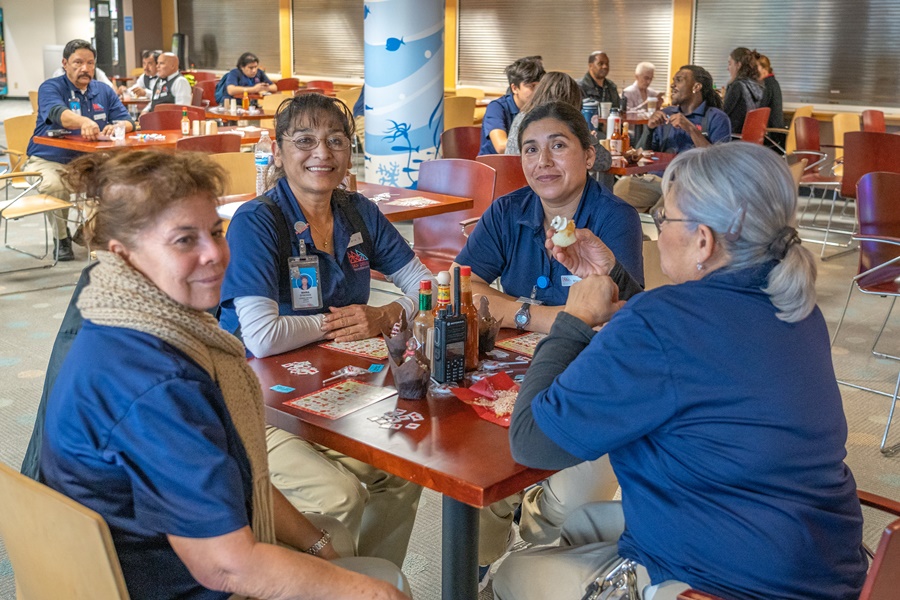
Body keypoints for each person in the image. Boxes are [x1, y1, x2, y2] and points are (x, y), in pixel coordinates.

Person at [493, 142, 868, 600]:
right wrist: (615, 278)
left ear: (703, 241)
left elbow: (531, 439)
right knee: (577, 523)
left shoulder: (661, 322)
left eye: (663, 219)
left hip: (722, 583)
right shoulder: (796, 307)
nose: (658, 231)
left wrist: (571, 322)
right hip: (815, 562)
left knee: (510, 575)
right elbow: (681, 353)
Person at [38, 150, 410, 600]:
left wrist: (321, 548)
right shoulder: (159, 381)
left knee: (343, 536)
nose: (215, 254)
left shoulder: (116, 325)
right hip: (176, 582)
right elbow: (228, 569)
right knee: (385, 583)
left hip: (146, 559)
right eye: (184, 240)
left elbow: (230, 471)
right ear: (125, 255)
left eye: (215, 232)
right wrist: (373, 593)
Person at [219, 92, 429, 567]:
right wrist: (338, 321)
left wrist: (386, 314)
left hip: (333, 388)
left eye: (336, 140)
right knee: (341, 497)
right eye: (305, 140)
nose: (323, 153)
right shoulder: (259, 221)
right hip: (256, 402)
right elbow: (262, 336)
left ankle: (373, 584)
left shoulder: (359, 211)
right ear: (278, 151)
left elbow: (426, 286)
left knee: (401, 471)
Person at [454, 101, 643, 582]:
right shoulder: (508, 211)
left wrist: (524, 313)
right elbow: (461, 286)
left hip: (590, 386)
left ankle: (528, 559)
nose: (543, 162)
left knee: (570, 503)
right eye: (531, 149)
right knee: (475, 475)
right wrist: (544, 317)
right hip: (507, 378)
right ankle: (481, 572)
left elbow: (616, 320)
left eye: (558, 146)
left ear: (589, 154)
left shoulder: (614, 217)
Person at [25, 39, 134, 261]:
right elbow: (57, 112)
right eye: (78, 62)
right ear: (65, 63)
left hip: (89, 160)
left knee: (120, 183)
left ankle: (86, 232)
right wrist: (82, 121)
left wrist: (119, 126)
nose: (85, 69)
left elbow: (128, 121)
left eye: (90, 63)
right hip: (50, 158)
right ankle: (61, 238)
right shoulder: (51, 87)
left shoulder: (103, 90)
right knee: (55, 186)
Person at [614, 65, 731, 213]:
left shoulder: (717, 118)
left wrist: (691, 129)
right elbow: (640, 156)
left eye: (679, 80)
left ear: (696, 87)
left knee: (662, 209)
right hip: (658, 180)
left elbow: (720, 163)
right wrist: (649, 129)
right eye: (673, 81)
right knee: (620, 191)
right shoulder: (665, 114)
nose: (672, 85)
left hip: (691, 184)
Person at [504, 71, 612, 188]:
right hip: (546, 191)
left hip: (511, 187)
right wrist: (590, 138)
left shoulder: (520, 117)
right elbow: (604, 162)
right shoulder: (566, 123)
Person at [480, 55, 545, 154]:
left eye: (539, 86)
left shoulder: (541, 106)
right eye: (531, 86)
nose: (537, 91)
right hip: (494, 165)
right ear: (514, 88)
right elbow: (501, 147)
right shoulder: (496, 107)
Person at [723, 47, 764, 134]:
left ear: (738, 65)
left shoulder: (737, 86)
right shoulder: (758, 86)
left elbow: (723, 114)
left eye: (730, 64)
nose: (728, 68)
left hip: (733, 137)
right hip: (748, 138)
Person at [756, 52, 785, 147]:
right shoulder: (773, 82)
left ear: (764, 69)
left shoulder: (767, 85)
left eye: (756, 68)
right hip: (777, 135)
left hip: (771, 136)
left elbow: (758, 110)